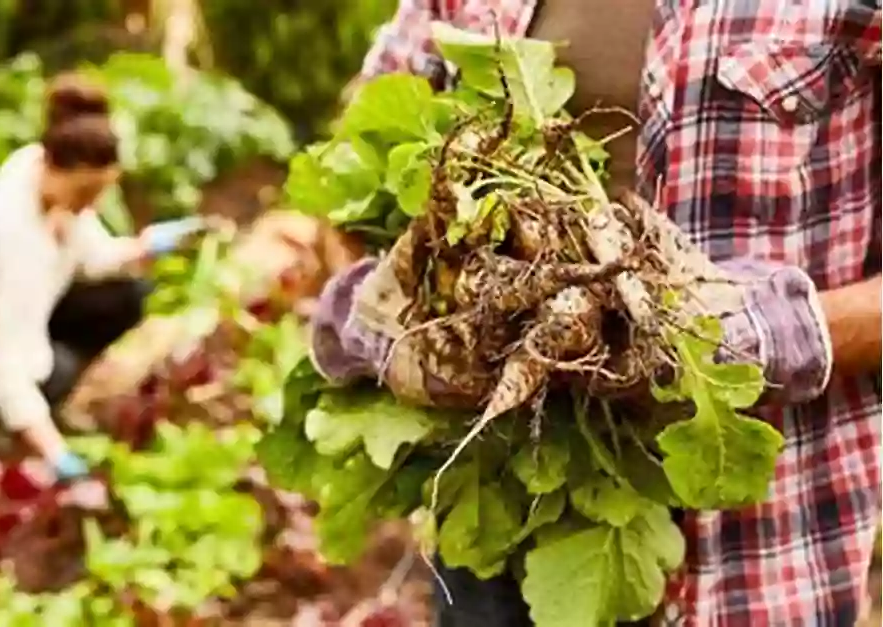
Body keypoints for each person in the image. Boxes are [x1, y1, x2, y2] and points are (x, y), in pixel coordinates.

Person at [313, 1, 881, 625]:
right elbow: (357, 160)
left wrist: (766, 332)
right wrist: (401, 304)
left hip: (758, 544)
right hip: (506, 499)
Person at [0, 73, 207, 485]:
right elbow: (6, 365)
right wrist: (55, 452)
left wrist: (145, 246)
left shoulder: (36, 167)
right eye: (86, 194)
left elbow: (94, 259)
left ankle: (33, 404)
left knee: (126, 297)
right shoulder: (19, 240)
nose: (91, 205)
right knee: (53, 370)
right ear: (62, 171)